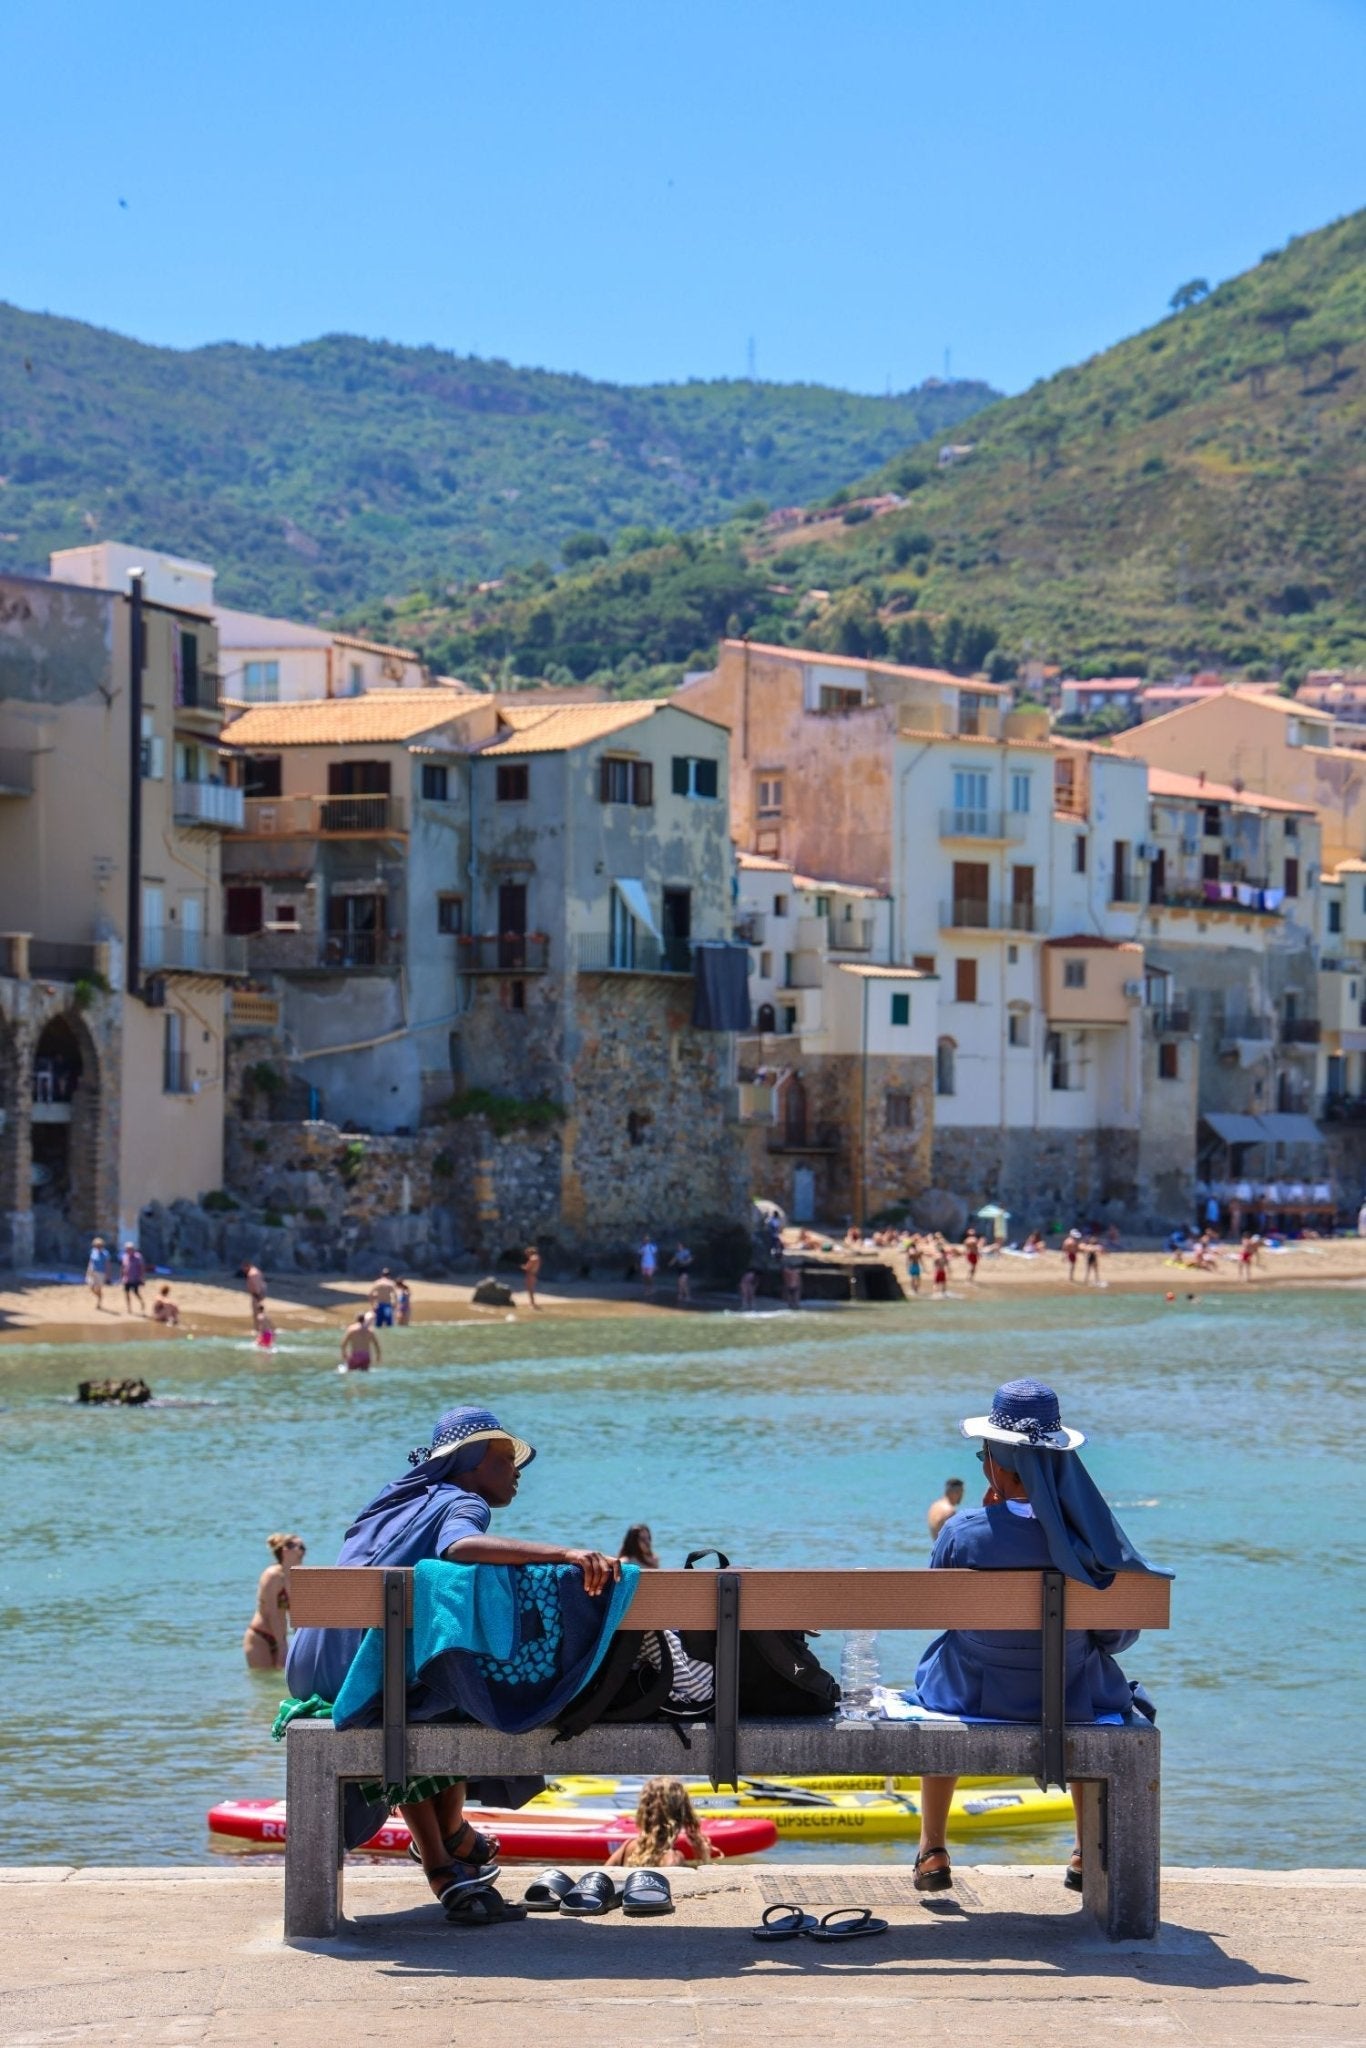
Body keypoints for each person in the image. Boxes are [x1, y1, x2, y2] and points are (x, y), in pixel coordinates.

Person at [286, 1404, 619, 1911]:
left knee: (423, 1669)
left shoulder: (395, 1498)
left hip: (313, 1659)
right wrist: (564, 1554)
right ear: (472, 1462)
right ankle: (444, 1852)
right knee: (455, 1679)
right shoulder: (465, 1502)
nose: (518, 1475)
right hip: (365, 1672)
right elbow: (461, 1546)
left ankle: (449, 1843)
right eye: (508, 1461)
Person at [904, 1378, 1167, 1899]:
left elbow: (943, 1613)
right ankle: (1082, 1849)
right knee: (1090, 1688)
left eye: (985, 1455)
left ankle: (932, 1846)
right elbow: (1115, 1636)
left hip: (971, 1693)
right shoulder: (1090, 1540)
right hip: (1071, 1697)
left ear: (999, 1465)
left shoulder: (962, 1532)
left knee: (938, 1681)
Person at [605, 1777, 719, 1867]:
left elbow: (603, 1875)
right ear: (683, 1815)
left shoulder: (627, 1847)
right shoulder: (673, 1858)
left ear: (643, 1812)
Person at [244, 1532, 306, 1670]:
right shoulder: (272, 1575)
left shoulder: (296, 1578)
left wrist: (299, 1646)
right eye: (296, 1546)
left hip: (280, 1639)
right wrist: (282, 1647)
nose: (301, 1550)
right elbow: (273, 1614)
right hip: (260, 1637)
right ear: (284, 1550)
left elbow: (296, 1618)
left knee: (278, 1685)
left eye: (303, 1547)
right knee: (265, 1684)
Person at [85, 1236, 110, 1310]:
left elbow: (107, 1265)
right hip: (93, 1272)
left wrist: (108, 1275)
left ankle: (99, 1301)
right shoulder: (93, 1252)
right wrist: (88, 1271)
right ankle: (99, 1297)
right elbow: (91, 1262)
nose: (98, 1247)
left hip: (101, 1273)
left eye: (99, 1245)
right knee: (91, 1287)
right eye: (96, 1245)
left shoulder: (105, 1253)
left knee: (98, 1288)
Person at [240, 1262, 267, 1329]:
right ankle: (261, 1327)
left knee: (258, 1312)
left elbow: (256, 1286)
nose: (243, 1270)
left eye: (243, 1268)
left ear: (247, 1266)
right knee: (260, 1311)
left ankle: (260, 1328)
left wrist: (258, 1296)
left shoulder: (252, 1274)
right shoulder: (255, 1271)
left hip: (257, 1295)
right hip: (259, 1293)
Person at [521, 1245, 541, 1310]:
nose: (526, 1254)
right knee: (531, 1289)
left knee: (530, 1290)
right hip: (534, 1275)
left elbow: (528, 1267)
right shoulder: (537, 1258)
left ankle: (532, 1303)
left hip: (530, 1275)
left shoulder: (533, 1258)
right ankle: (532, 1303)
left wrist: (523, 1267)